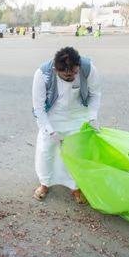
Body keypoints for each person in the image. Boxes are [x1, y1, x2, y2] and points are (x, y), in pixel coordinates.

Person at [32, 47, 102, 204]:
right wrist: (50, 132)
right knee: (46, 150)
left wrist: (92, 117)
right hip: (53, 115)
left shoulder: (88, 68)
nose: (72, 77)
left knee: (77, 152)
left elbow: (95, 94)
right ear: (56, 70)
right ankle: (45, 183)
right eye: (67, 75)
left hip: (78, 114)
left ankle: (75, 186)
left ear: (78, 66)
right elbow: (38, 108)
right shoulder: (42, 74)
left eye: (75, 73)